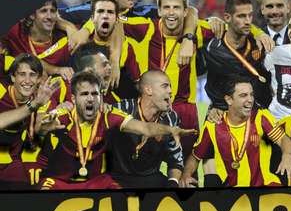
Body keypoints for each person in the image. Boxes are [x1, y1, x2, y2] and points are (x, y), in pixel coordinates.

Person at [38, 71, 191, 190]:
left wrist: (170, 129)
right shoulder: (67, 114)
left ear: (101, 97)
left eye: (95, 94)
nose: (90, 99)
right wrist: (44, 125)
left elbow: (148, 130)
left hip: (122, 179)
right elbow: (40, 125)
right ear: (73, 98)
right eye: (85, 94)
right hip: (76, 180)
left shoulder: (111, 115)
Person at [120, 0, 213, 155]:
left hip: (185, 110)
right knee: (143, 165)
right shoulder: (146, 28)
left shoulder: (196, 30)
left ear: (185, 12)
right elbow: (110, 20)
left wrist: (259, 34)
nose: (171, 13)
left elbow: (233, 30)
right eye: (166, 8)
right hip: (151, 108)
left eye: (176, 8)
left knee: (187, 172)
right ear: (159, 11)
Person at [181, 77, 291, 187]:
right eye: (243, 95)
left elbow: (283, 139)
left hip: (265, 186)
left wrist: (287, 155)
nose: (250, 100)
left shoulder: (261, 118)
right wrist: (186, 174)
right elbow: (195, 156)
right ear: (229, 100)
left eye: (251, 94)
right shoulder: (213, 125)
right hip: (232, 193)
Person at [39, 0, 141, 99]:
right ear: (92, 18)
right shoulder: (75, 41)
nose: (105, 16)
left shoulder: (127, 47)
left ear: (116, 20)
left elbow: (137, 85)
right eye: (100, 11)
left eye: (110, 12)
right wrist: (58, 70)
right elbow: (37, 63)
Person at [111, 70, 187, 188]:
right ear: (148, 90)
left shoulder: (171, 117)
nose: (170, 91)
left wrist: (173, 182)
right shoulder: (121, 109)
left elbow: (176, 160)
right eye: (165, 86)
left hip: (150, 178)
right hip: (117, 178)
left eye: (170, 87)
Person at [204, 0, 272, 117]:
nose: (247, 21)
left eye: (250, 15)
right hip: (220, 113)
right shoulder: (210, 47)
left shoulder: (259, 44)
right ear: (227, 17)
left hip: (255, 113)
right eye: (241, 16)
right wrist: (209, 20)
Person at [0, 55, 62, 187]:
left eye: (32, 75)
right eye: (22, 74)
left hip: (15, 161)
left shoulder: (42, 98)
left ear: (39, 79)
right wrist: (34, 105)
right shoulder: (1, 91)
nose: (27, 80)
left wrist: (43, 132)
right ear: (12, 77)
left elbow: (37, 130)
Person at [4, 0, 75, 80]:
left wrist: (70, 27)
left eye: (52, 11)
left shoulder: (63, 40)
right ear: (32, 15)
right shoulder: (15, 31)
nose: (49, 16)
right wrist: (56, 69)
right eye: (43, 11)